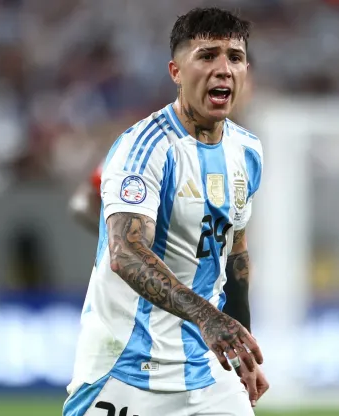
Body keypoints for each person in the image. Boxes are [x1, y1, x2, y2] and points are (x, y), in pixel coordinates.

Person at [64, 7, 267, 416]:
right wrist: (210, 318)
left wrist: (241, 347)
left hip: (206, 374)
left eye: (235, 57)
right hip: (126, 371)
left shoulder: (247, 152)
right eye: (207, 56)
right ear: (176, 71)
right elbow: (125, 254)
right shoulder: (145, 149)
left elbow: (235, 257)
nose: (223, 68)